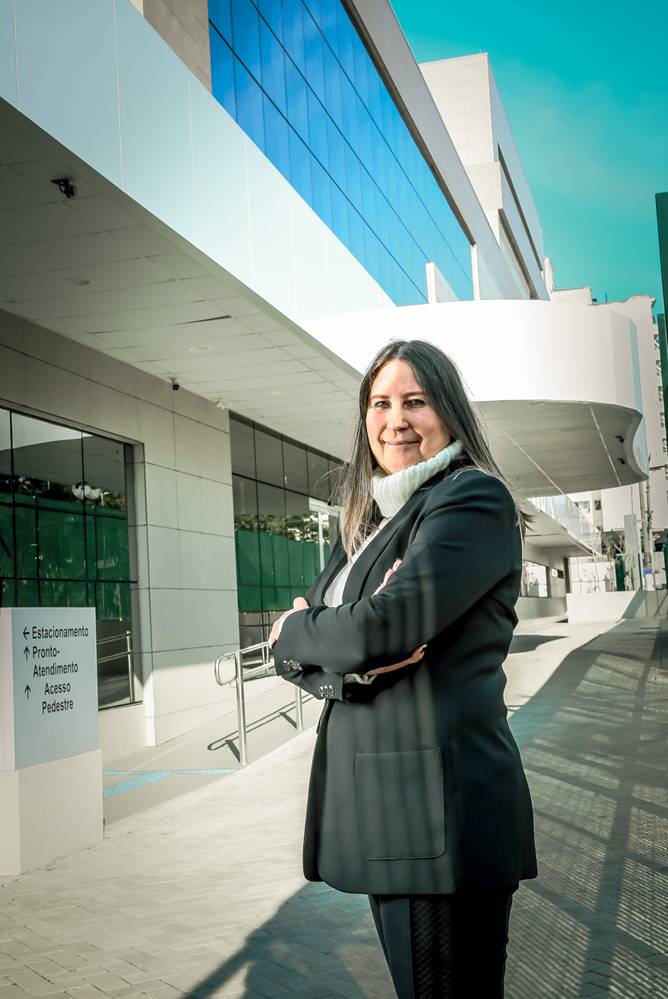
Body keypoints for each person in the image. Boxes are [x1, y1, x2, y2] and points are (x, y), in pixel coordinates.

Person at [269, 339, 537, 998]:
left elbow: (376, 627)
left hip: (434, 820)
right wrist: (344, 655)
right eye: (380, 402)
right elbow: (311, 647)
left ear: (448, 411)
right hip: (394, 819)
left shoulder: (469, 499)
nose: (395, 420)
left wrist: (319, 631)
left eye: (415, 401)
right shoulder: (369, 522)